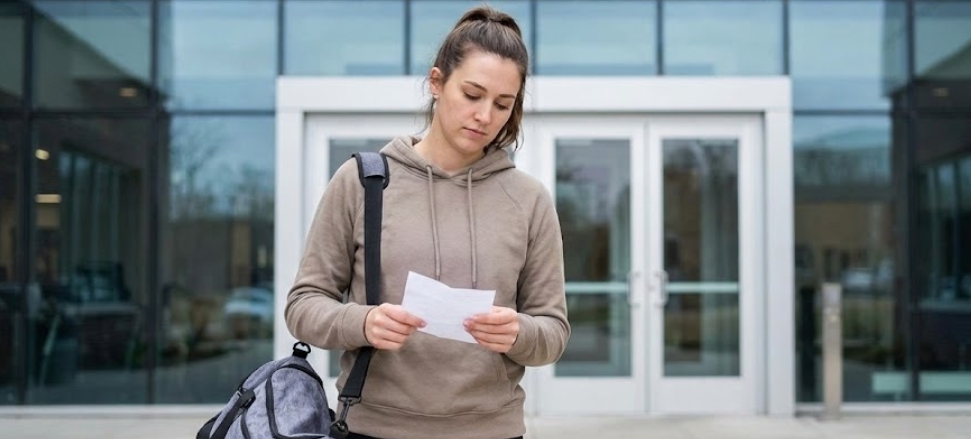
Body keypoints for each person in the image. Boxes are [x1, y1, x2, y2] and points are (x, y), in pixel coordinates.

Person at [285, 6, 570, 439]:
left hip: (491, 431)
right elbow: (303, 304)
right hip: (373, 428)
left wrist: (519, 332)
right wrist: (362, 323)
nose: (485, 116)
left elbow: (553, 331)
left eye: (502, 104)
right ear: (436, 83)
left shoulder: (529, 200)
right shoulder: (364, 181)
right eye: (472, 95)